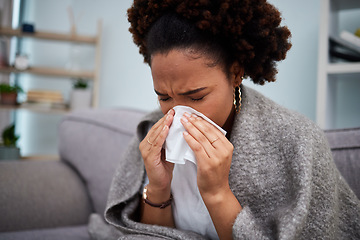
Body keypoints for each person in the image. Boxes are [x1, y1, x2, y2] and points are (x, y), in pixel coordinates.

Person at [89, 0, 360, 239]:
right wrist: (158, 187)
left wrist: (217, 192)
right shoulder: (149, 132)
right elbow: (152, 236)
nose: (179, 114)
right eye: (164, 97)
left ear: (235, 73)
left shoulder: (297, 140)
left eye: (196, 97)